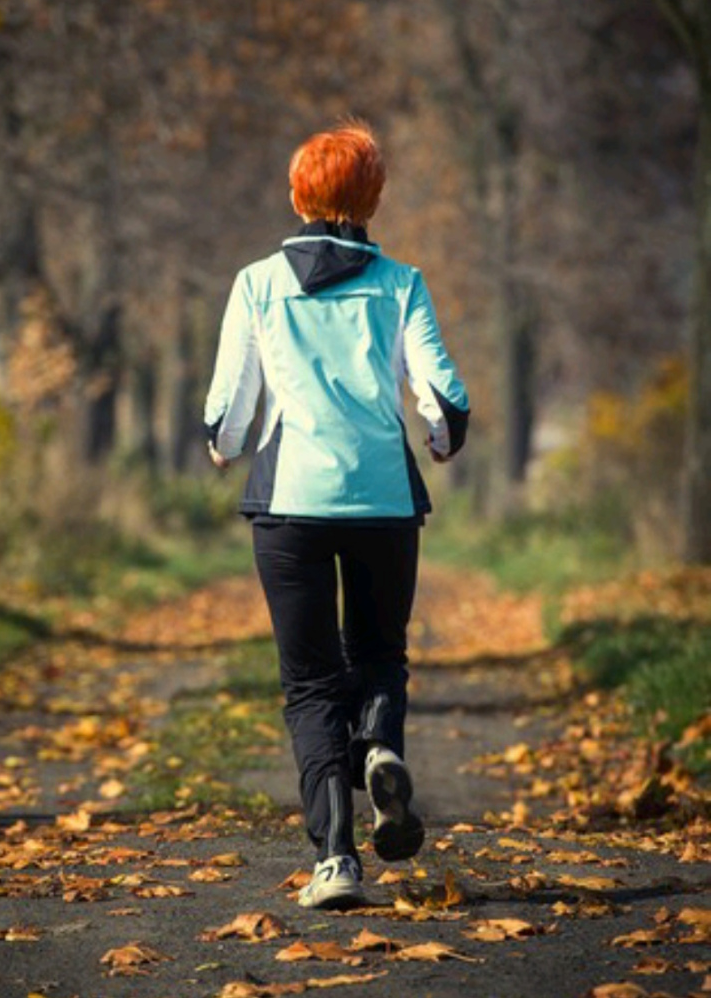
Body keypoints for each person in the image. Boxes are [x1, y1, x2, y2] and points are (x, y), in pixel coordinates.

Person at [203, 121, 469, 911]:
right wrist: (438, 440)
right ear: (373, 199)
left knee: (312, 685)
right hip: (385, 498)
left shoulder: (257, 283)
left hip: (291, 506)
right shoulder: (401, 282)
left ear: (297, 195)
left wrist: (224, 444)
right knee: (380, 651)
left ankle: (336, 859)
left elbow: (228, 413)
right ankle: (381, 744)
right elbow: (446, 398)